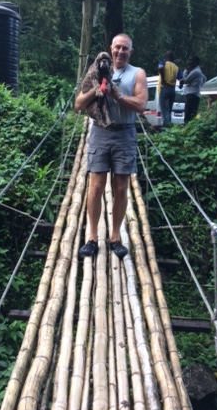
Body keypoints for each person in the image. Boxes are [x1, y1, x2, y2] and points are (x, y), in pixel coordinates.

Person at [74, 33, 148, 259]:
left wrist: (115, 95)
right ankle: (92, 238)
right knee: (96, 186)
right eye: (117, 48)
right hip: (99, 131)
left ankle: (115, 237)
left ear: (130, 52)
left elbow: (141, 104)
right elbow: (78, 104)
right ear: (110, 49)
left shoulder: (138, 73)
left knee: (121, 187)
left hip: (125, 133)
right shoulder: (96, 69)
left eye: (125, 48)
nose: (120, 52)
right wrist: (97, 91)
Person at [157, 50, 181, 128]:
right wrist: (181, 85)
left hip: (164, 88)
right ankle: (169, 128)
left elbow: (160, 68)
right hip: (172, 90)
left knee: (164, 111)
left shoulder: (163, 63)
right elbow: (182, 79)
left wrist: (163, 79)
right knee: (169, 111)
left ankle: (166, 129)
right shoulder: (176, 67)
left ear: (166, 57)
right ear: (173, 58)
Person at [179, 55, 207, 124]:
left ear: (196, 62)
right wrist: (198, 85)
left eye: (191, 60)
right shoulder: (198, 71)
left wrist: (185, 71)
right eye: (189, 60)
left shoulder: (196, 72)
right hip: (195, 94)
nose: (189, 62)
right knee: (192, 114)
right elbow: (205, 78)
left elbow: (186, 80)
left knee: (188, 115)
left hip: (191, 94)